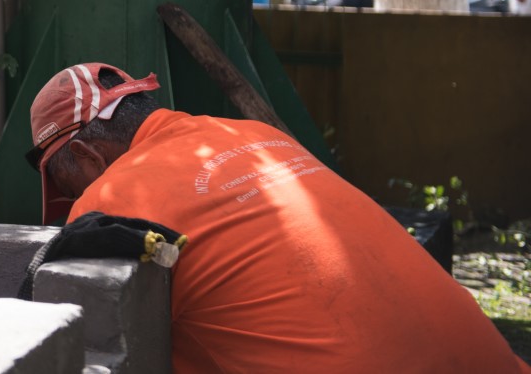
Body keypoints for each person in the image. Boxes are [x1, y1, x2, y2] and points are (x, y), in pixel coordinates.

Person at [27, 61, 530, 373]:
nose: (77, 201)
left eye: (69, 187)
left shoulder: (111, 195)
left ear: (90, 160)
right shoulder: (248, 134)